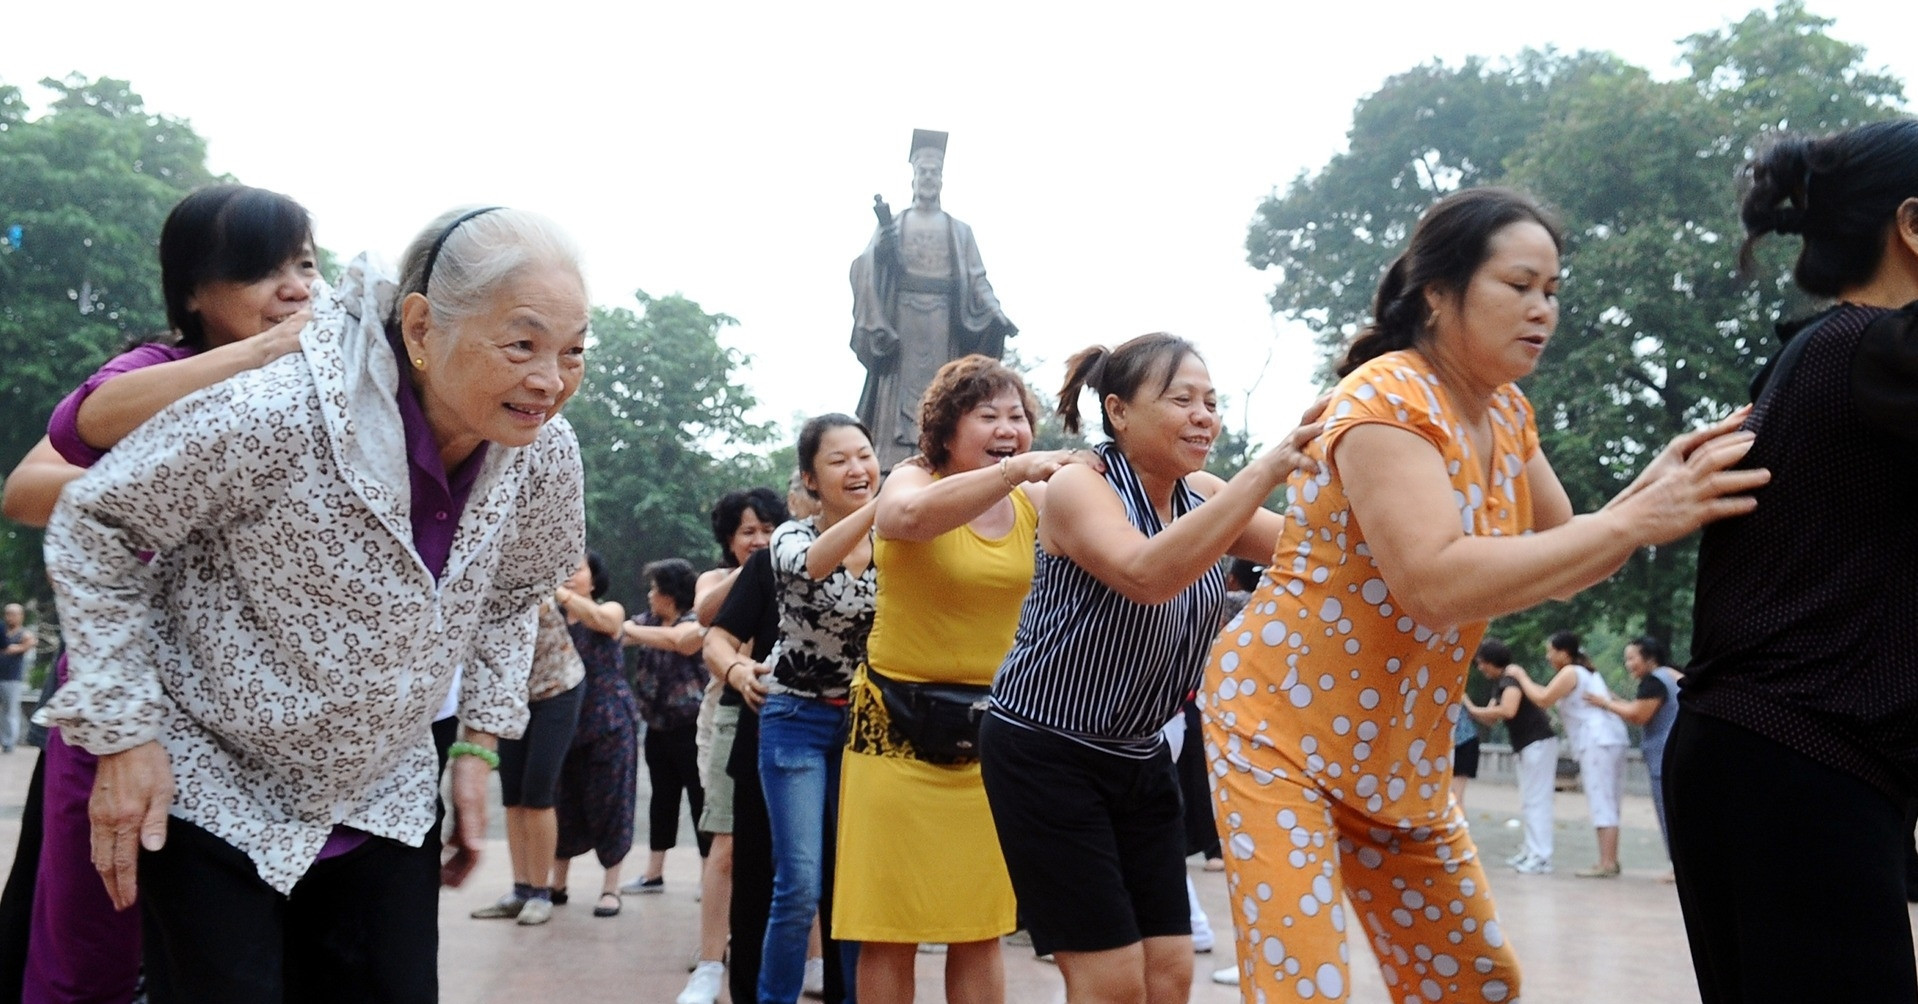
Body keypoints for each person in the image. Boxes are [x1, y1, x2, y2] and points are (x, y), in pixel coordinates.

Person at [1201, 186, 1767, 1001]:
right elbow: (1433, 582)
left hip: (1401, 757)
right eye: (1519, 285)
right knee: (1304, 988)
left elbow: (1571, 552)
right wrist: (1638, 517)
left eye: (1553, 291)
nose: (1543, 309)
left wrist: (1658, 483)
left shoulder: (1507, 413)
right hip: (1278, 731)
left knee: (1475, 984)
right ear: (1439, 292)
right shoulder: (1383, 398)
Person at [36, 203, 589, 1001]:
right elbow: (97, 523)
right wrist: (125, 735)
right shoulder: (280, 409)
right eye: (523, 344)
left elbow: (514, 594)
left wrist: (477, 746)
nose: (550, 380)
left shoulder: (543, 455)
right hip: (212, 785)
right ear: (424, 328)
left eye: (574, 351)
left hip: (379, 792)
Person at [3, 183, 320, 1004]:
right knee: (94, 950)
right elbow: (33, 481)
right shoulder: (160, 372)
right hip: (126, 709)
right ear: (191, 293)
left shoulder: (334, 396)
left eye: (306, 265)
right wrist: (171, 492)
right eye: (260, 269)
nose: (295, 287)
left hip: (260, 726)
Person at [980, 333, 1322, 1004]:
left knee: (1167, 975)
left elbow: (1315, 553)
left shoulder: (1205, 496)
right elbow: (1147, 574)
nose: (1204, 415)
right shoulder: (1080, 486)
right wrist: (1267, 470)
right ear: (1119, 412)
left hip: (1138, 754)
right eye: (1182, 400)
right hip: (1046, 752)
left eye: (1212, 402)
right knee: (1108, 983)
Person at [1667, 118, 1918, 1003]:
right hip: (1801, 767)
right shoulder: (1878, 352)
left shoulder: (1817, 357)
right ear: (1912, 226)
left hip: (1757, 758)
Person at [838, 354, 1091, 1002]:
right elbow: (903, 521)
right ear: (947, 429)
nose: (1009, 428)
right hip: (894, 735)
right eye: (990, 415)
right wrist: (1011, 471)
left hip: (992, 741)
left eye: (1018, 417)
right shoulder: (910, 478)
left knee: (977, 926)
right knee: (887, 928)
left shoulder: (1035, 499)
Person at [756, 414, 882, 1004]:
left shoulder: (901, 542)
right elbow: (815, 568)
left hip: (869, 726)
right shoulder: (792, 538)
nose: (858, 469)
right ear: (810, 478)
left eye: (864, 454)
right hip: (795, 720)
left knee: (856, 885)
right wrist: (886, 507)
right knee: (799, 885)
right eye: (839, 460)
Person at [849, 129, 1017, 470]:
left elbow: (977, 278)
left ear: (941, 179)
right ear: (913, 177)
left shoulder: (959, 230)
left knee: (947, 386)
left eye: (934, 172)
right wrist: (882, 253)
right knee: (898, 398)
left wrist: (996, 312)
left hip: (945, 323)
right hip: (903, 322)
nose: (928, 178)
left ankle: (946, 448)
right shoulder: (894, 224)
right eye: (923, 172)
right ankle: (892, 460)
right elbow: (863, 267)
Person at [680, 487, 787, 1004]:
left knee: (796, 849)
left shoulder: (801, 567)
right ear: (729, 538)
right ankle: (707, 964)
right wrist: (764, 560)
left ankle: (810, 960)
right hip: (729, 714)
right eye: (749, 532)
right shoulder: (719, 578)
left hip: (792, 716)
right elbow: (704, 615)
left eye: (769, 529)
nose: (760, 540)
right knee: (727, 841)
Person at [469, 598, 587, 924]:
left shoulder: (529, 581)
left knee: (537, 793)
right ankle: (520, 890)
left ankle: (540, 893)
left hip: (557, 690)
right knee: (512, 794)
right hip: (513, 696)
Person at [551, 552, 635, 919]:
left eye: (576, 568)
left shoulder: (610, 610)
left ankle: (611, 888)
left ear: (594, 579)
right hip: (561, 725)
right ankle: (555, 884)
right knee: (559, 804)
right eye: (561, 569)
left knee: (611, 803)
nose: (568, 576)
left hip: (609, 722)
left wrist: (561, 594)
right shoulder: (549, 620)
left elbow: (603, 621)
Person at [1504, 631, 1630, 877]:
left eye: (1551, 651)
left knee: (1601, 798)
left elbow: (1542, 699)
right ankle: (1609, 860)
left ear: (1564, 652)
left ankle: (1606, 863)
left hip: (1596, 741)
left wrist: (1520, 676)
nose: (1549, 656)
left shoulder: (1571, 672)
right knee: (1609, 798)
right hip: (1609, 738)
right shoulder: (1587, 673)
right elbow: (1546, 692)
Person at [623, 558, 712, 893]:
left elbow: (679, 640)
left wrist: (627, 629)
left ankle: (709, 878)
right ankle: (653, 873)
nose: (649, 596)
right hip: (657, 728)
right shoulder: (647, 622)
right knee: (662, 799)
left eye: (654, 589)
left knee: (700, 800)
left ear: (670, 594)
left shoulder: (696, 623)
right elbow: (620, 632)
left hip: (691, 727)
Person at [1586, 635, 1679, 876]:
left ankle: (1677, 865)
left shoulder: (1653, 682)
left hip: (1665, 757)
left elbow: (1638, 714)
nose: (1628, 664)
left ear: (1649, 658)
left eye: (1631, 658)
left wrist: (1604, 704)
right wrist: (1611, 698)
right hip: (1678, 752)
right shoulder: (1672, 675)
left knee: (1669, 812)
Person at [1466, 639, 1559, 873]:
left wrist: (1473, 708)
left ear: (1490, 662)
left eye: (1481, 663)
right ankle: (1532, 850)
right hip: (1527, 745)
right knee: (1529, 800)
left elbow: (1508, 710)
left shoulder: (1510, 680)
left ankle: (1541, 856)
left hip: (1537, 742)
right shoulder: (1501, 682)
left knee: (1537, 800)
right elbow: (1490, 716)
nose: (1480, 668)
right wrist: (1468, 703)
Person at [0, 604, 37, 754]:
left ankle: (9, 743)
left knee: (10, 711)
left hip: (12, 678)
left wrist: (9, 648)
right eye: (8, 614)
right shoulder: (3, 632)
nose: (10, 617)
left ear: (21, 616)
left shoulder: (24, 634)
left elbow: (24, 646)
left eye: (13, 614)